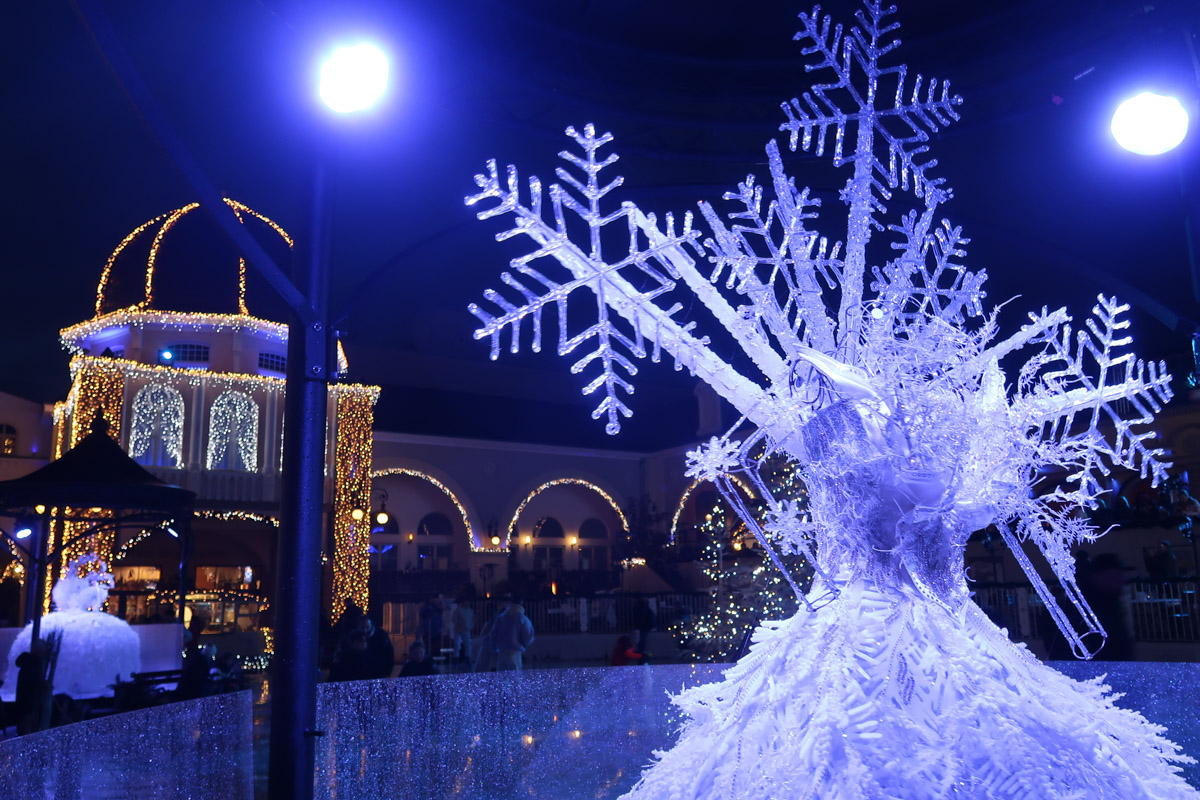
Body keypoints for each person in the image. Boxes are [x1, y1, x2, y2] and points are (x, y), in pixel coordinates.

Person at [489, 601, 535, 671]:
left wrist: (494, 648)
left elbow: (493, 635)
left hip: (501, 653)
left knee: (501, 679)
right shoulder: (522, 618)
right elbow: (528, 636)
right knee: (515, 679)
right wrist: (525, 644)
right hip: (515, 654)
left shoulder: (500, 618)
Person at [14, 646, 47, 735]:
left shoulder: (25, 665)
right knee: (27, 720)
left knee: (24, 719)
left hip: (23, 698)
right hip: (30, 699)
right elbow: (34, 681)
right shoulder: (35, 664)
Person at [451, 596, 474, 668]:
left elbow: (472, 620)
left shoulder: (470, 611)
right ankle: (456, 659)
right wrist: (460, 624)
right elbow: (454, 619)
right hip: (458, 630)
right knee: (457, 645)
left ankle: (467, 658)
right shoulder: (458, 610)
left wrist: (470, 626)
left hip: (466, 630)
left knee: (467, 645)